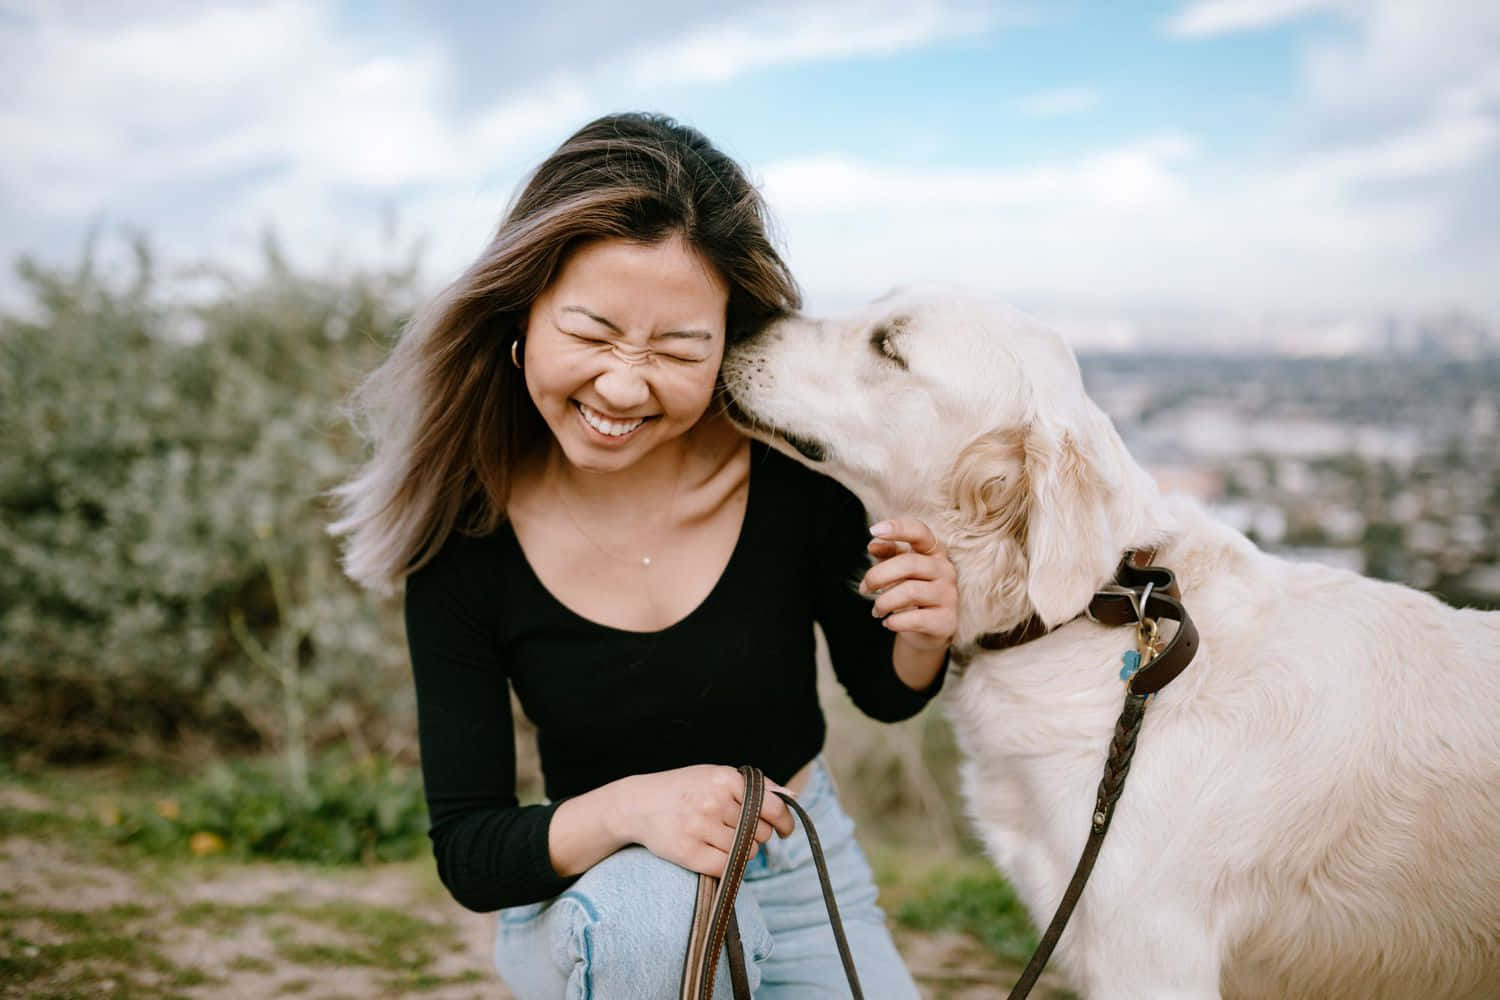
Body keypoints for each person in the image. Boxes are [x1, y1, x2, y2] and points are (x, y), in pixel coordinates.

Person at [330, 111, 957, 998]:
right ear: (523, 315)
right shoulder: (463, 535)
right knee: (659, 921)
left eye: (677, 348)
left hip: (799, 879)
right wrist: (632, 809)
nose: (623, 385)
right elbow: (471, 851)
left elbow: (885, 692)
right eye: (590, 334)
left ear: (727, 346)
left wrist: (922, 628)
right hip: (600, 903)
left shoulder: (793, 478)